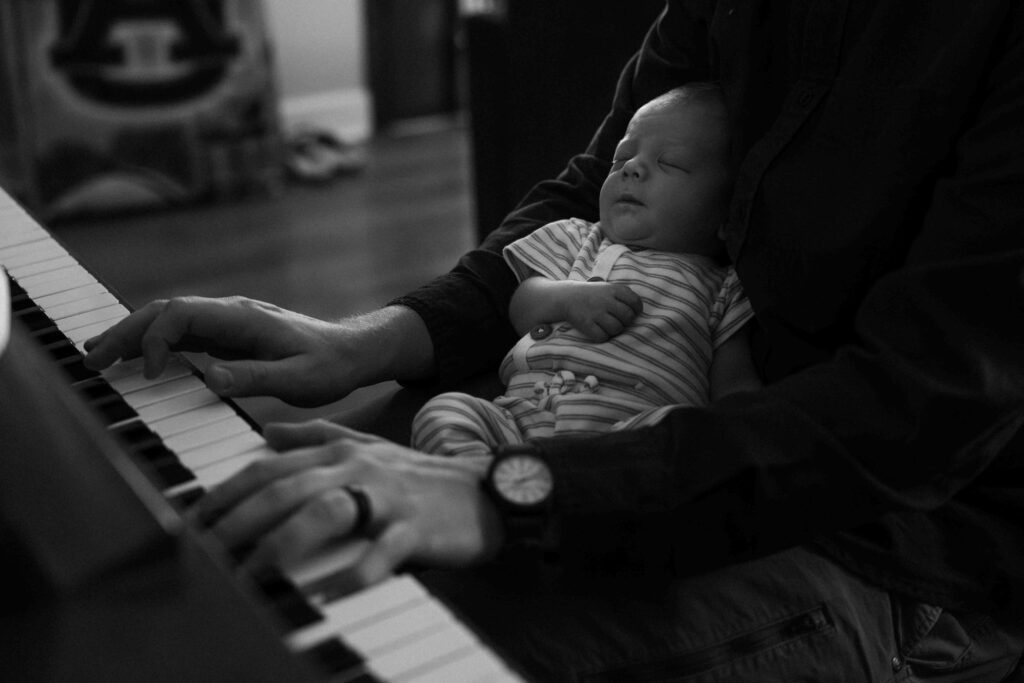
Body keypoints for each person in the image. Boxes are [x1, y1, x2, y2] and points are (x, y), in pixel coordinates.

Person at [83, 1, 1024, 680]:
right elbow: (590, 197)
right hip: (638, 423)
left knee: (317, 625)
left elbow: (918, 408)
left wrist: (511, 495)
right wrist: (369, 340)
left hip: (895, 544)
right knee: (235, 522)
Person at [413, 84, 761, 457]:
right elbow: (520, 303)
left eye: (669, 163)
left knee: (682, 433)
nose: (631, 168)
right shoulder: (578, 237)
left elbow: (734, 386)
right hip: (524, 416)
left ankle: (507, 494)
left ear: (728, 215)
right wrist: (567, 298)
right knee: (446, 411)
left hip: (627, 436)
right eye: (621, 157)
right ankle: (481, 479)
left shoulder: (725, 287)